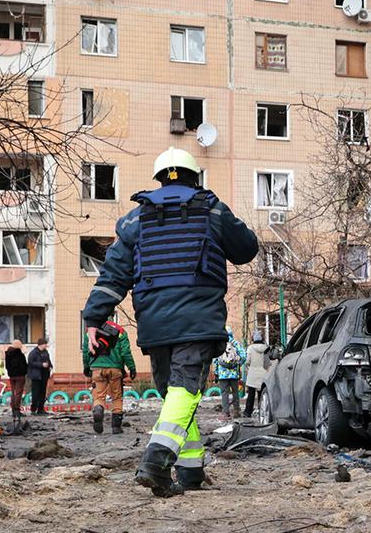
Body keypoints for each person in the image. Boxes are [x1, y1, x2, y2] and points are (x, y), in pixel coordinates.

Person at [80, 147, 258, 497]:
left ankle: (190, 473)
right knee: (184, 393)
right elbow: (247, 249)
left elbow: (113, 274)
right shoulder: (212, 210)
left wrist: (94, 318)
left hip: (155, 323)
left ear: (159, 178)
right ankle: (155, 461)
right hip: (198, 320)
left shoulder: (135, 220)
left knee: (176, 396)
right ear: (195, 177)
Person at [82, 321, 137, 434]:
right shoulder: (120, 331)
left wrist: (87, 366)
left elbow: (86, 351)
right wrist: (132, 368)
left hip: (97, 368)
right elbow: (125, 352)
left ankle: (98, 410)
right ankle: (116, 427)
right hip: (115, 368)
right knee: (116, 397)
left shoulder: (90, 331)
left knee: (99, 396)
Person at [213, 328, 247, 418]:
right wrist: (238, 364)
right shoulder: (235, 344)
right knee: (235, 392)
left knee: (224, 393)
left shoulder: (219, 344)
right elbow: (244, 356)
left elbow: (215, 359)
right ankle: (236, 411)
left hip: (222, 374)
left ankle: (225, 412)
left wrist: (216, 372)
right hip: (234, 373)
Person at [243, 330, 270, 418]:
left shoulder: (250, 348)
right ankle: (261, 412)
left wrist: (248, 366)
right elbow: (267, 363)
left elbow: (247, 361)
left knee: (251, 394)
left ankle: (248, 412)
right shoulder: (266, 348)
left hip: (252, 374)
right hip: (263, 373)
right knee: (261, 394)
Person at [26, 338, 53, 415]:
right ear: (41, 344)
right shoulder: (34, 352)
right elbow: (30, 363)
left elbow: (48, 360)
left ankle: (41, 408)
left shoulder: (45, 352)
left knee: (42, 393)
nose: (46, 345)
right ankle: (33, 409)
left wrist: (50, 366)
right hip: (36, 375)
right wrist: (41, 365)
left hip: (44, 375)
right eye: (45, 344)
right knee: (36, 393)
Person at [5, 340, 28, 417]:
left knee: (13, 392)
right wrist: (25, 371)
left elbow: (7, 366)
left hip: (12, 376)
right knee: (18, 393)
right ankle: (17, 410)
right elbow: (23, 365)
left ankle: (13, 409)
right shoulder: (20, 355)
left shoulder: (8, 354)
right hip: (20, 376)